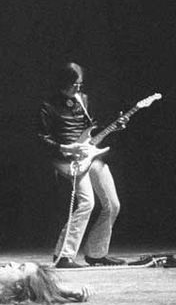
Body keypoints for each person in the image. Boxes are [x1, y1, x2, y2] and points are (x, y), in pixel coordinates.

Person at [38, 62, 125, 268]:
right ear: (63, 82)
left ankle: (96, 253)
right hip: (68, 158)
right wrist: (65, 148)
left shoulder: (83, 100)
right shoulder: (48, 105)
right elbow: (40, 137)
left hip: (90, 154)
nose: (78, 88)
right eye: (74, 84)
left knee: (112, 205)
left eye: (80, 84)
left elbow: (92, 128)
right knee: (87, 203)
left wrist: (114, 127)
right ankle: (64, 255)